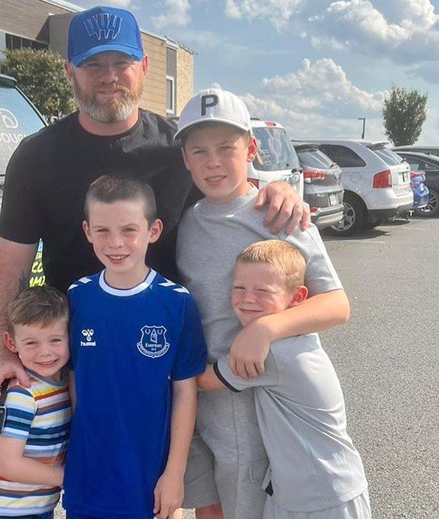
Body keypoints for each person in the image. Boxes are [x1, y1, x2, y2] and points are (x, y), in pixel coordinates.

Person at [0, 5, 310, 405]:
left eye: (122, 62)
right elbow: (11, 262)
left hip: (170, 358)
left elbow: (230, 194)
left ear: (144, 67)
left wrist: (275, 191)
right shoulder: (36, 156)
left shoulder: (178, 149)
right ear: (69, 71)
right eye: (92, 64)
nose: (109, 76)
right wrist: (4, 353)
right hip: (73, 362)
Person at [174, 86, 351, 518]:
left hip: (251, 417)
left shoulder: (279, 216)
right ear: (185, 159)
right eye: (199, 151)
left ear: (251, 149)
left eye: (226, 148)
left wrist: (266, 329)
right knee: (206, 510)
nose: (213, 162)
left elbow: (336, 304)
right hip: (197, 406)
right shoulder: (186, 222)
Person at [63, 174, 207, 518]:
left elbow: (185, 391)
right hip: (89, 470)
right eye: (102, 231)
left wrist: (174, 473)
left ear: (153, 231)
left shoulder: (177, 302)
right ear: (87, 232)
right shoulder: (77, 297)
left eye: (129, 230)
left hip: (149, 470)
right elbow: (73, 376)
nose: (115, 243)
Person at [197, 240, 370, 518]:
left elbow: (204, 381)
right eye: (239, 288)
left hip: (324, 497)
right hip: (305, 489)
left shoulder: (273, 353)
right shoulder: (295, 336)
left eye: (263, 291)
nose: (247, 298)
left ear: (298, 297)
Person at [0, 286, 71, 519]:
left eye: (55, 340)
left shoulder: (64, 384)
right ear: (11, 343)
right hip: (8, 509)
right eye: (31, 343)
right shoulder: (23, 395)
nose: (45, 352)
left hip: (40, 505)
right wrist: (68, 477)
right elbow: (9, 464)